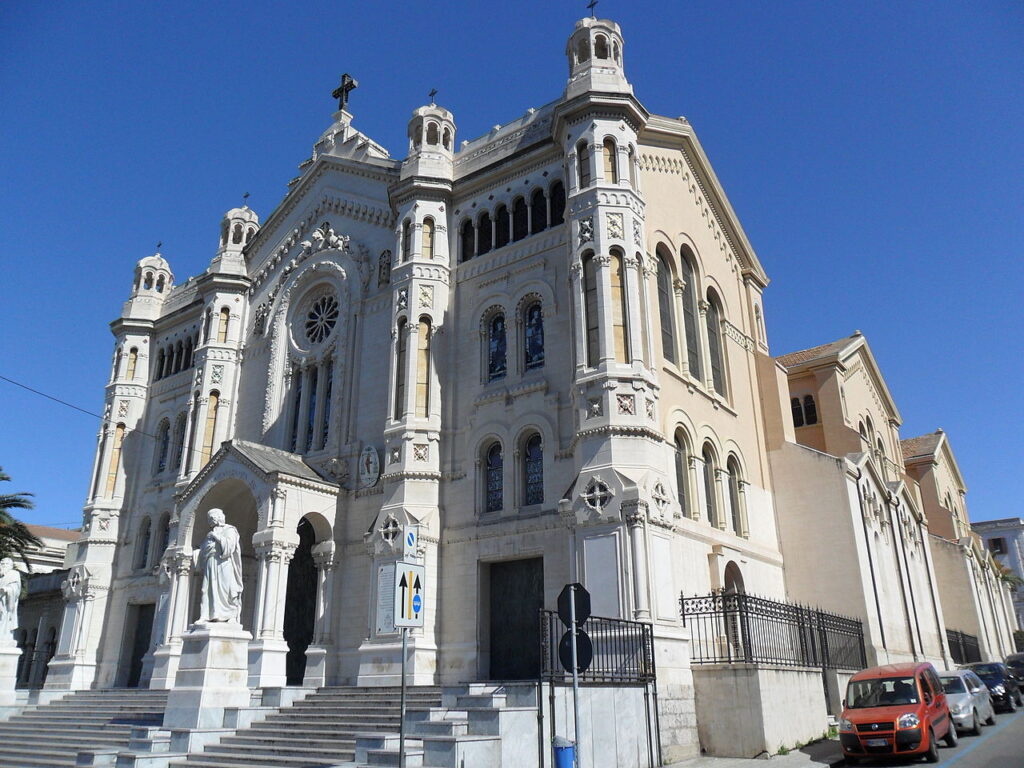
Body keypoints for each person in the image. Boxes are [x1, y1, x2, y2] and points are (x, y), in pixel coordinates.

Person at [196, 509, 243, 623]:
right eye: (209, 518)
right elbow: (204, 548)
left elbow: (229, 547)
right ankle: (206, 615)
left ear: (219, 517)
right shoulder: (209, 533)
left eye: (212, 517)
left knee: (225, 589)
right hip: (210, 562)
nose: (210, 520)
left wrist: (216, 536)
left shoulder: (230, 529)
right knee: (206, 589)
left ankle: (230, 615)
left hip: (224, 562)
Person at [0, 557, 21, 645]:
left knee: (4, 619)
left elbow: (16, 589)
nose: (4, 566)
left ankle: (3, 636)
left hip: (7, 603)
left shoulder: (14, 574)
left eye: (6, 564)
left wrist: (6, 590)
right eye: (2, 564)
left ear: (11, 566)